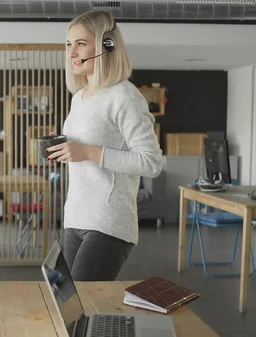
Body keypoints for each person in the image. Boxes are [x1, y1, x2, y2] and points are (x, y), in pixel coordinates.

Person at [46, 10, 163, 281]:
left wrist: (88, 152)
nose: (72, 52)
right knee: (73, 305)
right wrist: (64, 146)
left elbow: (151, 162)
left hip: (108, 221)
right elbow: (89, 144)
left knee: (82, 304)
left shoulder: (124, 96)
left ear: (106, 47)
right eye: (68, 44)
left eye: (81, 43)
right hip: (76, 216)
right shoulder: (80, 97)